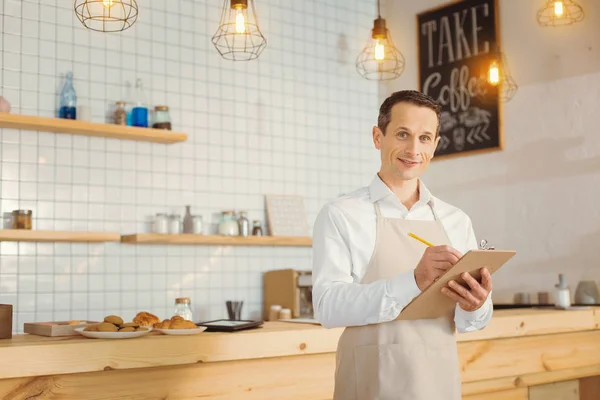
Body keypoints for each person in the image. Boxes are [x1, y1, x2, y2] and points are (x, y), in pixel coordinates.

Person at [311, 90, 493, 400]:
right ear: (377, 137)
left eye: (424, 138)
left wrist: (475, 305)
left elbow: (469, 323)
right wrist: (413, 281)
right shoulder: (341, 213)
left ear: (435, 146)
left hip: (438, 383)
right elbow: (327, 306)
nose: (413, 149)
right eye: (403, 134)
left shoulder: (456, 219)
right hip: (371, 383)